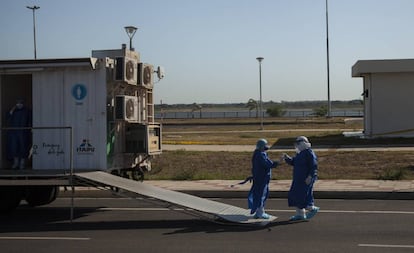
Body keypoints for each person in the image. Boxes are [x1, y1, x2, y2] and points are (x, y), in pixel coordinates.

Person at [283, 136, 319, 221]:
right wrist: (287, 158)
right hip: (298, 179)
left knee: (304, 196)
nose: (297, 146)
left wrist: (310, 176)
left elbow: (313, 166)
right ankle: (300, 214)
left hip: (305, 179)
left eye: (298, 144)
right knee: (295, 196)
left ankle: (312, 208)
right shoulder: (300, 154)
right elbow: (294, 162)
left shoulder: (309, 153)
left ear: (303, 143)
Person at [248, 139, 279, 219]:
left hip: (260, 177)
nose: (266, 147)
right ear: (262, 146)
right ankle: (260, 213)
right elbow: (267, 164)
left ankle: (258, 212)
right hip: (261, 178)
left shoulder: (259, 153)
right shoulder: (260, 155)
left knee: (259, 194)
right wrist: (277, 162)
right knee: (261, 195)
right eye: (265, 145)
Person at [7, 98, 32, 169]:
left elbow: (29, 121)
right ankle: (15, 163)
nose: (19, 104)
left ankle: (22, 164)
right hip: (14, 133)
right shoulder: (13, 111)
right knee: (14, 148)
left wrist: (30, 129)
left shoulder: (27, 111)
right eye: (18, 103)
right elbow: (8, 120)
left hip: (23, 132)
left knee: (23, 147)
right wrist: (11, 112)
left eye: (20, 103)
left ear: (23, 103)